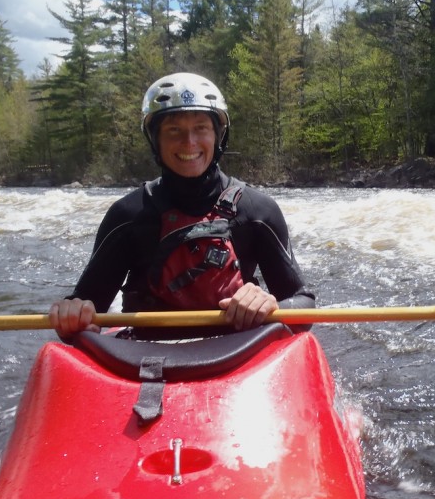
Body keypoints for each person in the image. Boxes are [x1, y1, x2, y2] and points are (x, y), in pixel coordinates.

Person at [49, 72, 315, 340]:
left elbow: (303, 304)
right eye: (173, 130)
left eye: (201, 128)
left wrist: (271, 305)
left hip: (237, 354)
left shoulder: (258, 211)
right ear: (156, 140)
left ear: (218, 136)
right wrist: (73, 313)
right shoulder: (127, 215)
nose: (189, 142)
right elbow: (87, 308)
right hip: (145, 358)